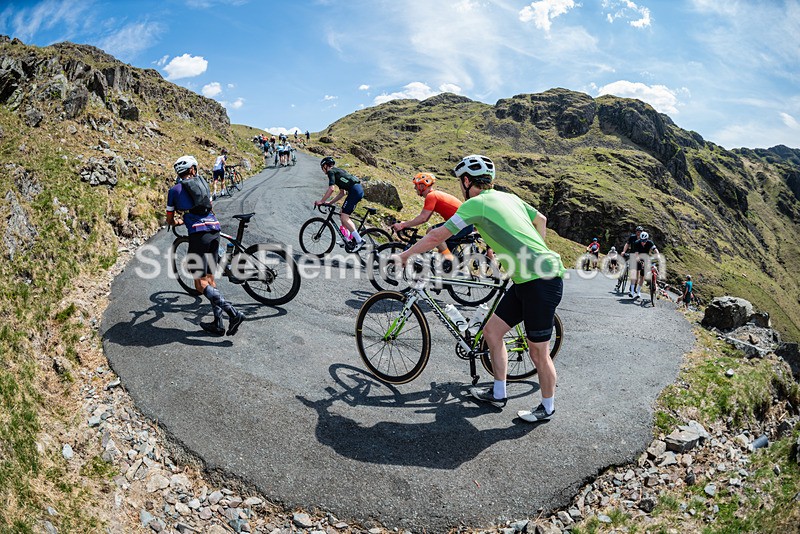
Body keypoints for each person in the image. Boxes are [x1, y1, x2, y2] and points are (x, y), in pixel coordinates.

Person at [395, 154, 565, 422]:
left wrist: (404, 256)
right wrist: (531, 253)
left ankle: (547, 408)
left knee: (537, 352)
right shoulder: (509, 197)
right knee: (492, 331)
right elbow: (540, 219)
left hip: (542, 281)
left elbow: (439, 235)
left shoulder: (477, 203)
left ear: (465, 180)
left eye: (459, 182)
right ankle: (498, 392)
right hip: (526, 278)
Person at [166, 156, 244, 336]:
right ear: (192, 169)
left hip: (198, 235)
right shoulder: (203, 184)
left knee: (200, 284)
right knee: (210, 278)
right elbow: (210, 208)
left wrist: (178, 221)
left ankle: (233, 313)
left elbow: (169, 219)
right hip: (214, 230)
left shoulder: (174, 190)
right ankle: (218, 324)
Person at [391, 172, 473, 266]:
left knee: (432, 231)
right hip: (463, 224)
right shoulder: (434, 195)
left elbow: (423, 218)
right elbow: (425, 218)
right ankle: (447, 263)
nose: (414, 188)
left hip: (463, 225)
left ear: (422, 186)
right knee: (439, 255)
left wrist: (402, 225)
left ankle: (449, 259)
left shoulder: (431, 196)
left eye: (416, 185)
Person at [315, 156, 366, 252]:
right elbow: (342, 193)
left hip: (355, 191)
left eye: (322, 167)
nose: (323, 170)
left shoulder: (331, 172)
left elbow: (331, 189)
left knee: (344, 217)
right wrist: (330, 202)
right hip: (355, 190)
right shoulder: (337, 172)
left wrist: (321, 201)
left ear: (325, 166)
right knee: (343, 212)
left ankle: (359, 240)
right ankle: (347, 238)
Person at [630, 230, 659, 299]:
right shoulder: (637, 243)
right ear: (640, 239)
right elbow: (636, 255)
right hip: (638, 258)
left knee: (642, 276)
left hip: (646, 258)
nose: (643, 242)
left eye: (645, 241)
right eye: (642, 240)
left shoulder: (650, 243)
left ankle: (638, 291)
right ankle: (631, 291)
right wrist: (640, 261)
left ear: (647, 239)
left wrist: (658, 255)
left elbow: (655, 250)